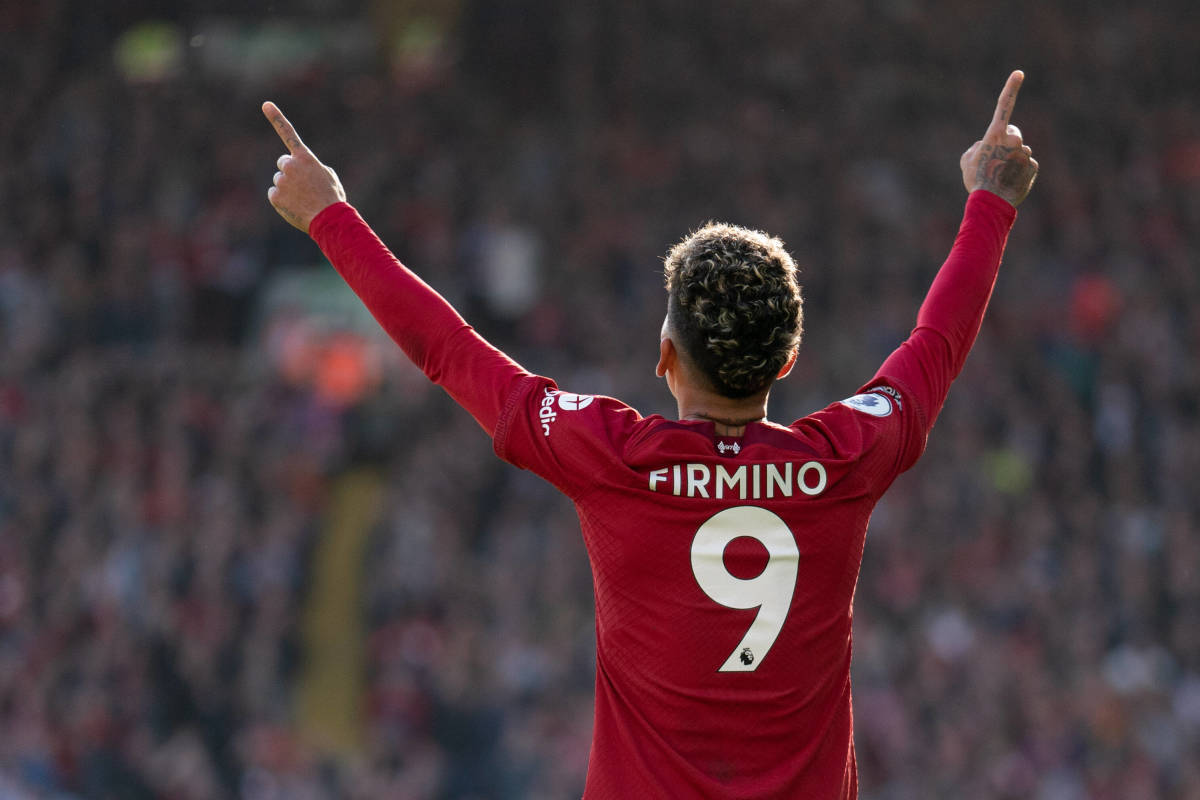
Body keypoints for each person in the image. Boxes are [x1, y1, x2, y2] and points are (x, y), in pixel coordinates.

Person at [262, 70, 1038, 799]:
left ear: (665, 356)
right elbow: (936, 343)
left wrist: (330, 214)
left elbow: (447, 349)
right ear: (790, 358)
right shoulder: (845, 459)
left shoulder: (611, 455)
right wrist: (989, 204)